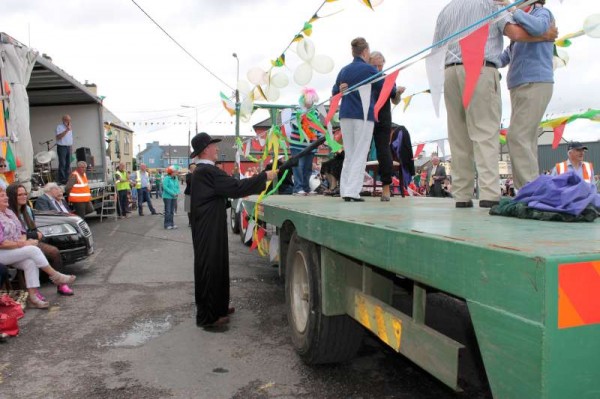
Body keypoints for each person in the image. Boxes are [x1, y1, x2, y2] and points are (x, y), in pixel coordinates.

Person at [433, 0, 558, 208]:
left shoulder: (446, 10)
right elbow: (514, 33)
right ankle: (489, 194)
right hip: (479, 68)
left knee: (458, 136)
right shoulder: (491, 3)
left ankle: (462, 195)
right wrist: (545, 36)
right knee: (485, 133)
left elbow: (437, 47)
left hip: (449, 71)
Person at [190, 132, 276, 329]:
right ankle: (209, 316)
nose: (217, 149)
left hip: (211, 224)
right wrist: (264, 176)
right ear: (205, 150)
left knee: (218, 265)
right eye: (214, 146)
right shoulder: (206, 171)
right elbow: (235, 187)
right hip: (208, 227)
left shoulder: (204, 171)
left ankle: (219, 306)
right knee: (210, 267)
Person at [499, 0, 555, 189]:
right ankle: (527, 188)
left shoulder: (542, 13)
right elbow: (506, 55)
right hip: (519, 85)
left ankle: (529, 189)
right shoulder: (522, 27)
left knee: (517, 135)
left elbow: (539, 28)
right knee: (527, 139)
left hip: (535, 82)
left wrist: (513, 10)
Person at [0, 187, 76, 308]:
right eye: (2, 196)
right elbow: (2, 243)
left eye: (5, 195)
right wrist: (23, 244)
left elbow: (22, 232)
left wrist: (25, 241)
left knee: (30, 262)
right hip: (3, 252)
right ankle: (56, 276)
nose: (6, 198)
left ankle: (33, 297)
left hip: (14, 249)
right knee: (33, 250)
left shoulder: (9, 213)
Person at [332, 37, 383, 202]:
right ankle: (353, 191)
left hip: (346, 115)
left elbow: (334, 92)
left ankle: (346, 190)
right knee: (360, 153)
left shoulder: (344, 70)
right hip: (362, 115)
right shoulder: (368, 70)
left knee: (350, 153)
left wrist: (340, 89)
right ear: (366, 51)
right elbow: (383, 85)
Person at [368, 51, 405, 201]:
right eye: (374, 65)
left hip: (383, 118)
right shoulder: (365, 77)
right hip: (366, 116)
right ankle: (353, 187)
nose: (377, 68)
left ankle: (386, 187)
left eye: (380, 65)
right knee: (360, 149)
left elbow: (395, 101)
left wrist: (398, 93)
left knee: (383, 151)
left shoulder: (388, 78)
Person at [289, 87, 323, 196]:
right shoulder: (296, 111)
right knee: (299, 166)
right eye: (308, 101)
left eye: (312, 102)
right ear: (303, 100)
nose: (310, 104)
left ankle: (306, 187)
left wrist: (319, 140)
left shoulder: (315, 113)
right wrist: (303, 118)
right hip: (297, 144)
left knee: (308, 167)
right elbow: (294, 124)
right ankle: (297, 188)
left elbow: (317, 127)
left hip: (311, 145)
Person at [55, 115, 73, 184]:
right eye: (67, 120)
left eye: (69, 120)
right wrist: (66, 130)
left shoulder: (70, 127)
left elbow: (70, 138)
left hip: (69, 147)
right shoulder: (59, 127)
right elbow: (58, 137)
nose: (68, 122)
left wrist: (71, 146)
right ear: (63, 120)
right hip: (62, 147)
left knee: (68, 163)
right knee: (62, 163)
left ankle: (67, 178)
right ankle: (62, 179)